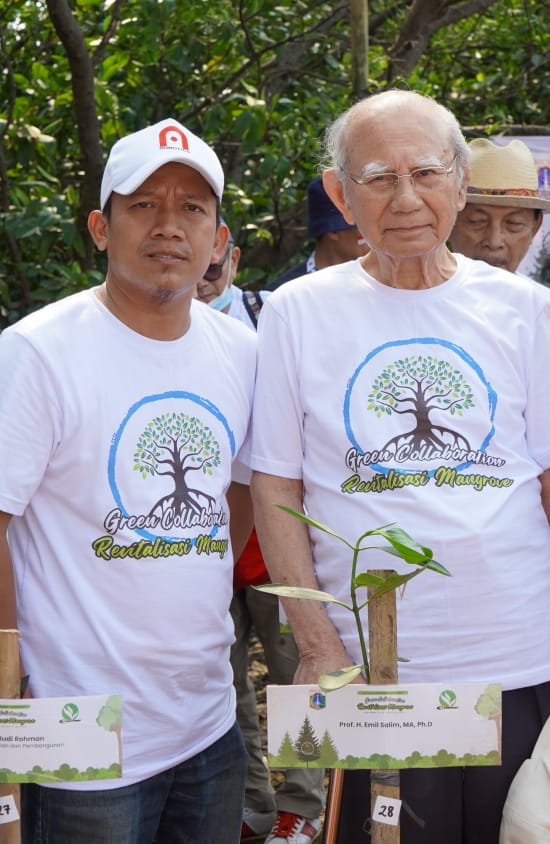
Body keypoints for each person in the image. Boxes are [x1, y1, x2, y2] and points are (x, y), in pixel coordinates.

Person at [250, 90, 550, 844]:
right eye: (378, 178)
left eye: (424, 172)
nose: (406, 197)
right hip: (374, 669)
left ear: (458, 181)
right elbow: (275, 483)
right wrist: (318, 642)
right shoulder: (297, 312)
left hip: (523, 656)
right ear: (340, 194)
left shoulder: (530, 312)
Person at [0, 119, 254, 842]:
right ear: (100, 226)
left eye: (192, 209)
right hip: (79, 725)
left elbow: (239, 495)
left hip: (208, 718)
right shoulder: (38, 352)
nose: (168, 227)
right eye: (143, 205)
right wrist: (7, 688)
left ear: (218, 240)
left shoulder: (244, 352)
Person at [197, 231, 322, 844]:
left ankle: (304, 803)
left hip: (276, 540)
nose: (203, 277)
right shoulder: (153, 330)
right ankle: (251, 803)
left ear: (233, 261)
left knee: (295, 670)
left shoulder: (274, 318)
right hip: (203, 542)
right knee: (225, 678)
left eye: (214, 266)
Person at [448, 138, 550, 273]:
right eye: (477, 222)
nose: (494, 242)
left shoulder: (539, 295)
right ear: (449, 223)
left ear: (535, 227)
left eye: (514, 224)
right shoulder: (418, 293)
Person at [266, 176, 367, 290]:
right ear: (333, 231)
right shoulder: (286, 296)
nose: (373, 232)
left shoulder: (384, 280)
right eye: (364, 225)